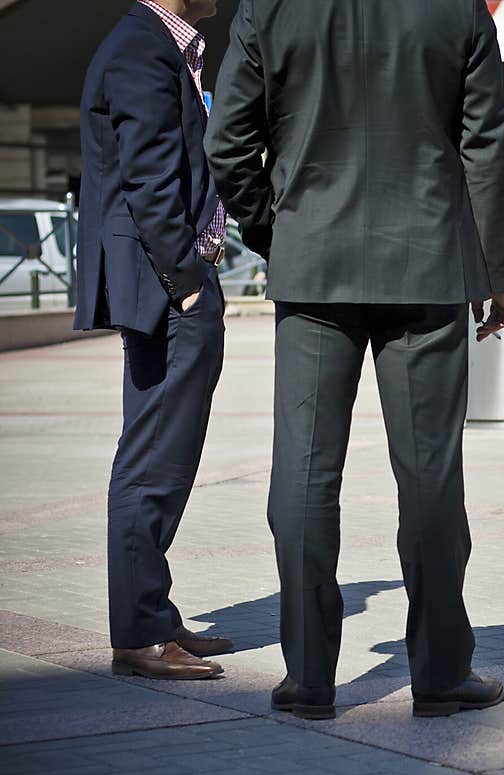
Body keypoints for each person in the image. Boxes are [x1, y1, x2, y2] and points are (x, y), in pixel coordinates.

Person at [205, 0, 504, 719]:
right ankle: (440, 674)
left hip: (314, 264)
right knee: (431, 475)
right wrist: (496, 271)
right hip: (429, 264)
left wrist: (277, 233)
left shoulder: (270, 8)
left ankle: (308, 677)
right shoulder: (457, 9)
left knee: (304, 470)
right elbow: (487, 144)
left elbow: (226, 143)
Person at [74, 0, 235, 680]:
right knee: (151, 461)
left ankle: (154, 616)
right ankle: (139, 633)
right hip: (166, 290)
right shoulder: (142, 47)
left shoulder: (156, 46)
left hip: (168, 285)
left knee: (165, 458)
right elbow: (146, 177)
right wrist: (188, 281)